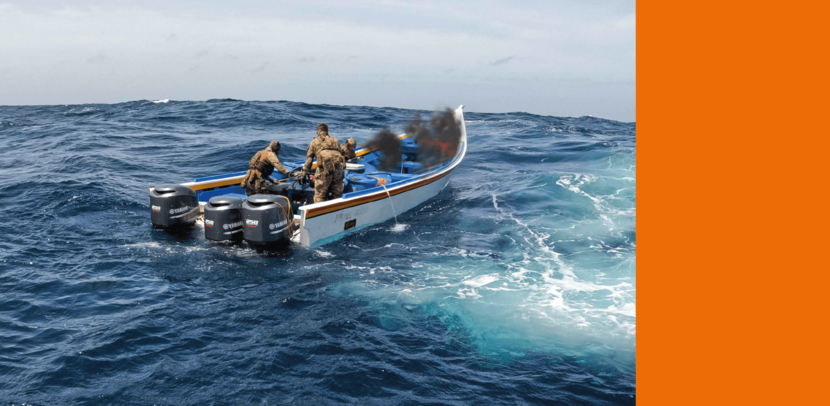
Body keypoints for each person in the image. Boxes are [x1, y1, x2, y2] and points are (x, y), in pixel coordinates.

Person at [302, 123, 344, 203]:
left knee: (320, 195)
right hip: (338, 169)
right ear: (327, 131)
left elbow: (309, 159)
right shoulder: (335, 140)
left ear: (318, 132)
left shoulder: (315, 141)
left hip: (324, 170)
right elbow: (341, 154)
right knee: (337, 195)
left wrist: (304, 174)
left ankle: (319, 212)